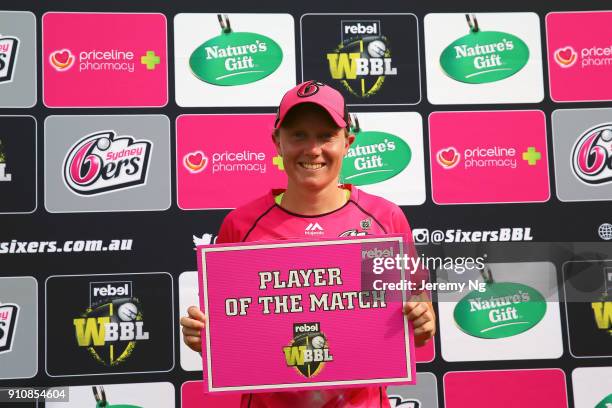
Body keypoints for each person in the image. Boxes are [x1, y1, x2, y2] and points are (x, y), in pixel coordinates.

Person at [180, 80, 436, 408]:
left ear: (348, 142)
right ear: (277, 142)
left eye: (326, 136)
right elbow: (225, 331)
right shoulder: (241, 226)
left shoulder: (385, 220)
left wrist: (421, 322)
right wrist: (206, 338)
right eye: (298, 134)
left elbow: (416, 314)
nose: (312, 149)